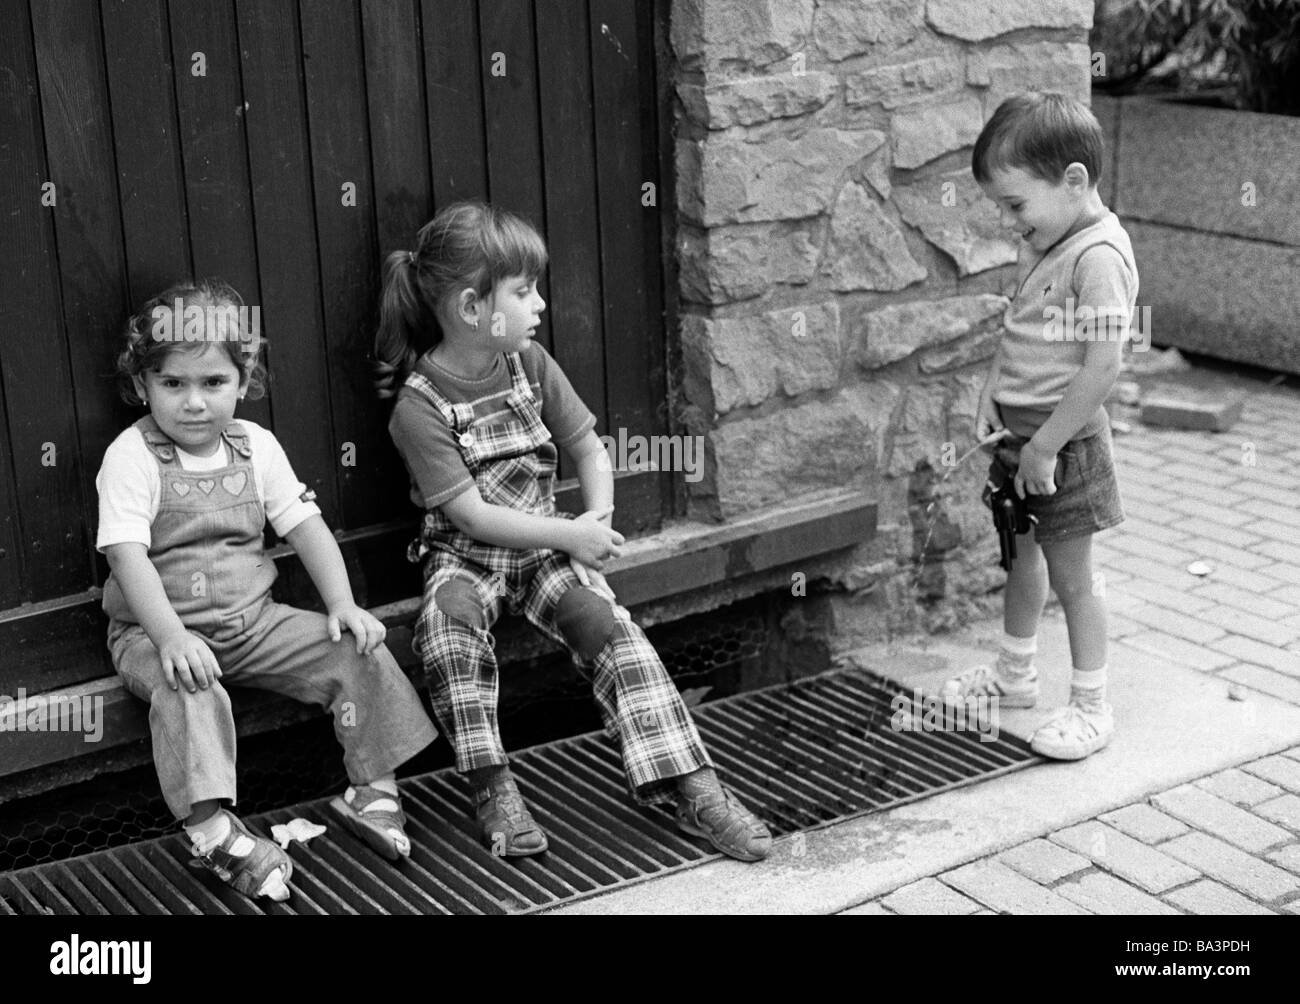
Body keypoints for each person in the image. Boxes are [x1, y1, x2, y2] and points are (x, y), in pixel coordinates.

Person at [376, 201, 771, 861]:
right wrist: (568, 537)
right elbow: (470, 516)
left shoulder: (529, 364)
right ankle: (491, 782)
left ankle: (689, 782)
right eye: (524, 292)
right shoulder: (417, 408)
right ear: (474, 308)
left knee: (606, 624)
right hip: (466, 556)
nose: (541, 305)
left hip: (546, 552)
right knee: (447, 631)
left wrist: (598, 521)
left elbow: (589, 448)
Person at [97, 280, 438, 902]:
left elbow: (307, 527)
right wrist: (171, 637)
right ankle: (211, 833)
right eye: (173, 384)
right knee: (186, 687)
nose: (194, 403)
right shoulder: (132, 456)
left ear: (242, 378)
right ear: (142, 383)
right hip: (158, 634)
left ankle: (373, 791)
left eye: (213, 383)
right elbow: (126, 557)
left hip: (253, 623)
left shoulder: (255, 447)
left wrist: (341, 604)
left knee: (354, 649)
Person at [942, 92, 1138, 761]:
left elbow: (1103, 365)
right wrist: (993, 393)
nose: (1008, 222)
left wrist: (1047, 446)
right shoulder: (1050, 241)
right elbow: (1019, 325)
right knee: (1021, 560)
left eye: (1015, 205)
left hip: (1065, 452)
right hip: (1020, 446)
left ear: (1074, 181)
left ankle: (1091, 707)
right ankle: (1014, 676)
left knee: (1075, 579)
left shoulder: (1098, 257)